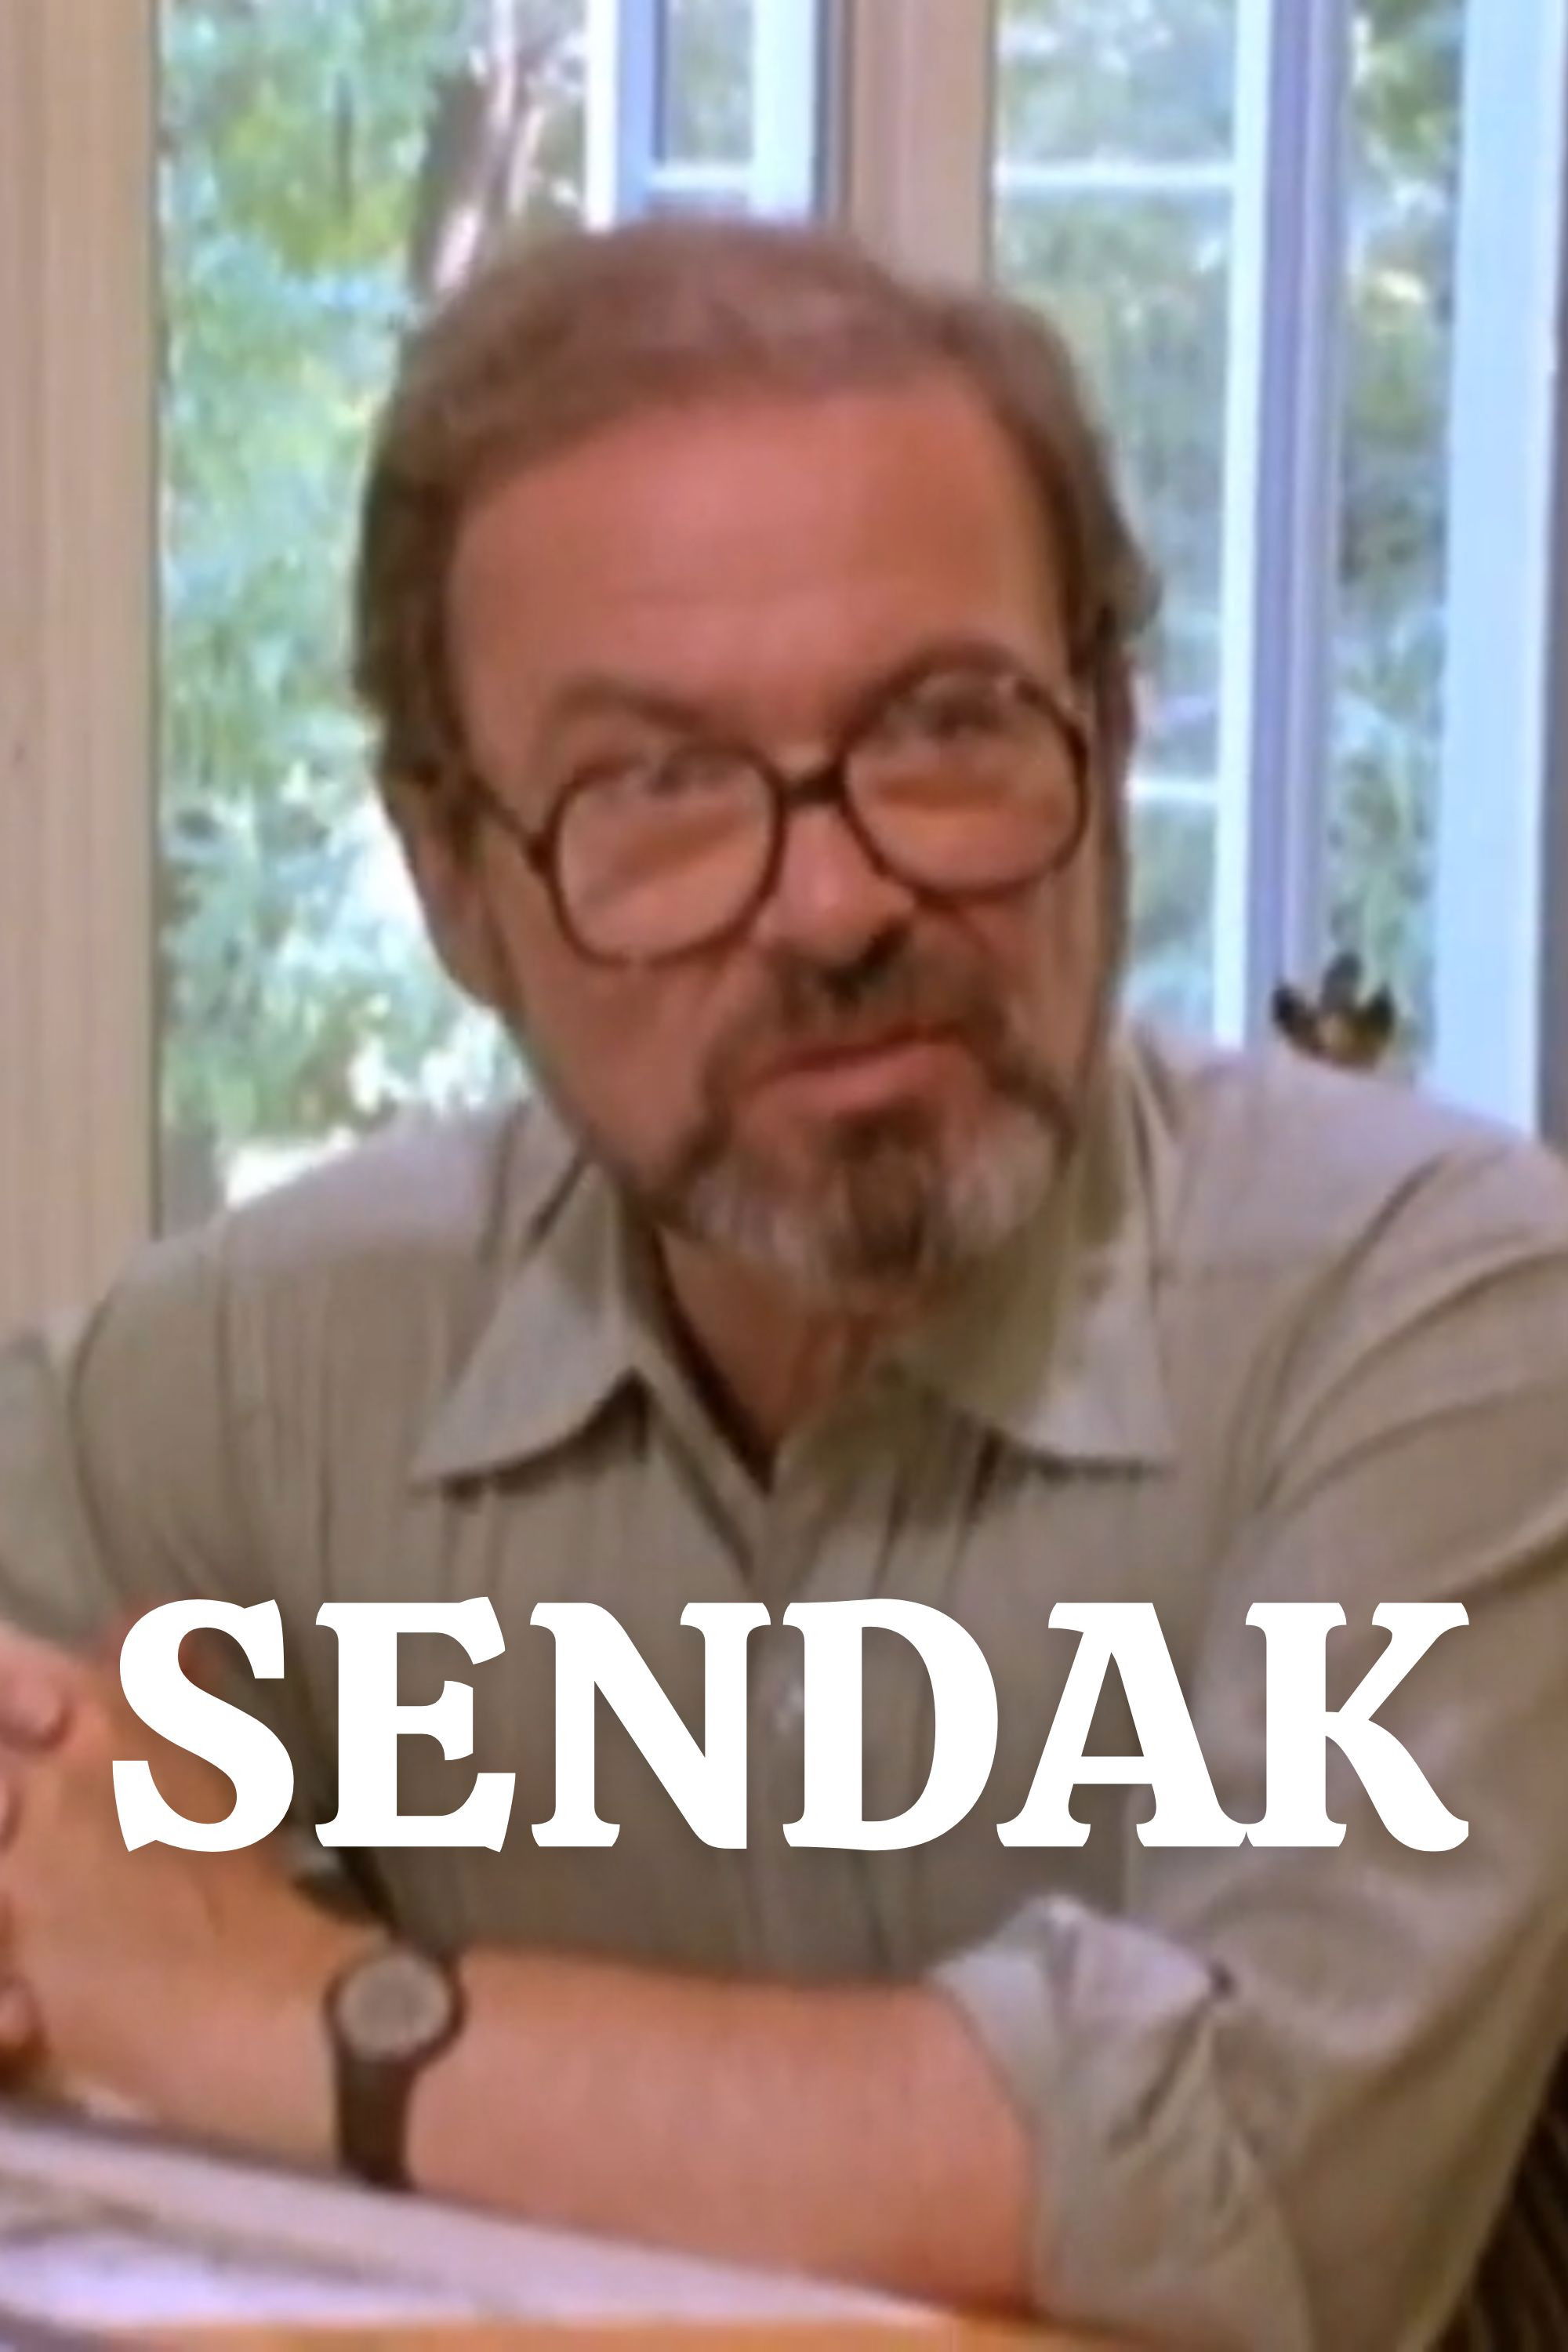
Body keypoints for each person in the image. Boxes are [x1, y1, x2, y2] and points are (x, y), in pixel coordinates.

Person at [1, 219, 1566, 2352]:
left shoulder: (1440, 1317)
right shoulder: (253, 1369)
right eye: (658, 786)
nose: (835, 901)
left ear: (1110, 740)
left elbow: (1224, 2196)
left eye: (945, 728)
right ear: (456, 883)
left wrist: (298, 2016)